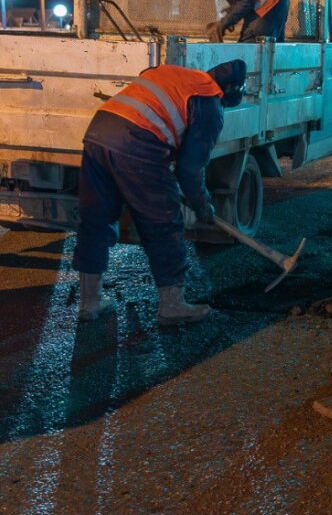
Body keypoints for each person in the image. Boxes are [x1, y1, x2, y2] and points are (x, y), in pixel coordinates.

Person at [73, 59, 247, 324]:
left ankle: (90, 303)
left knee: (96, 218)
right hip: (137, 141)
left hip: (99, 131)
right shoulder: (210, 100)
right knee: (164, 221)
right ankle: (172, 305)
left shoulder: (174, 73)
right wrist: (203, 205)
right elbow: (190, 170)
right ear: (229, 91)